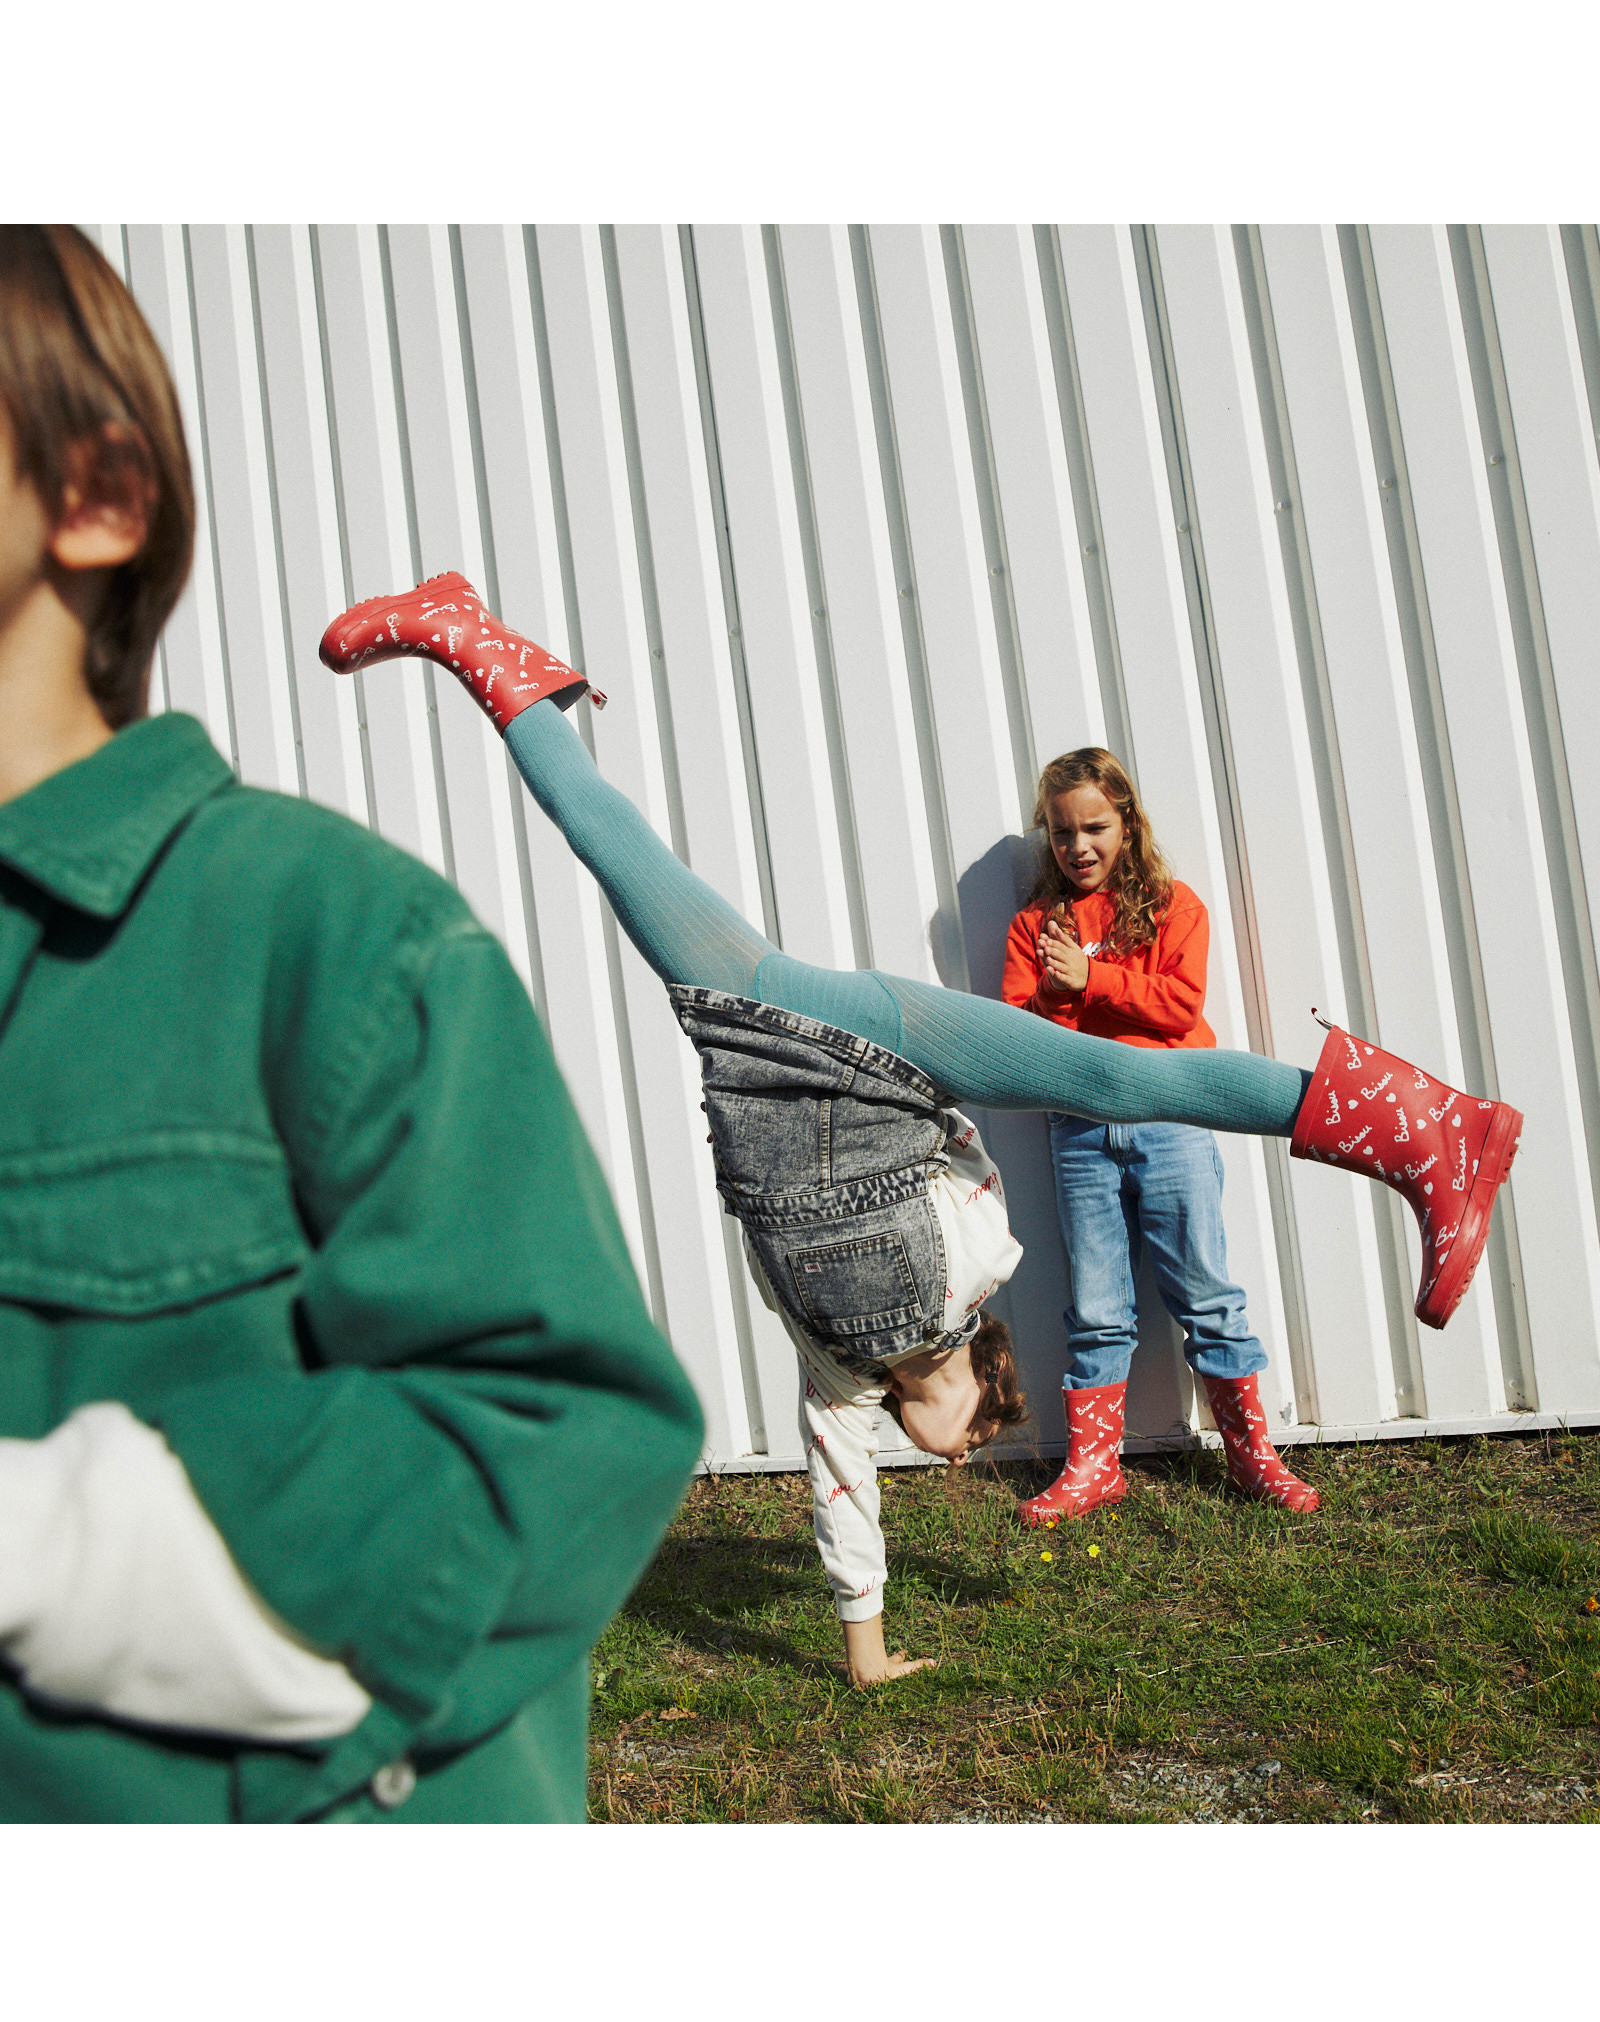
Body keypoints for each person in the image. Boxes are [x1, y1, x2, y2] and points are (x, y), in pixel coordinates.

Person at [321, 572, 1524, 1676]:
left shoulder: (837, 1368)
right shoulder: (978, 1266)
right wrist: (923, 1105)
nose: (948, 1454)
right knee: (1100, 1076)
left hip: (764, 1052)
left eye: (961, 1443)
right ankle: (1422, 1131)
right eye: (974, 1433)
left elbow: (839, 1484)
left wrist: (863, 1644)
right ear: (981, 1371)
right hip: (863, 1039)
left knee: (1104, 1073)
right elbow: (964, 1153)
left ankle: (1427, 1132)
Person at [0, 224, 703, 1823]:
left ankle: (493, 659)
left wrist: (49, 1543)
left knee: (736, 965)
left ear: (95, 496)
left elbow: (562, 1431)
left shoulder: (324, 933)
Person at [1003, 747, 1316, 1525]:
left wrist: (1094, 980)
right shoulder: (1036, 925)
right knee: (1097, 1306)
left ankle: (1253, 1459)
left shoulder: (1176, 907)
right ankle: (1093, 1468)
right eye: (1061, 832)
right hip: (1078, 1131)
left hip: (1172, 1121)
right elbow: (1018, 1040)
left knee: (1206, 1294)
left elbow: (1179, 1007)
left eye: (1094, 827)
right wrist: (1054, 987)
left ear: (1127, 822)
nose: (1078, 847)